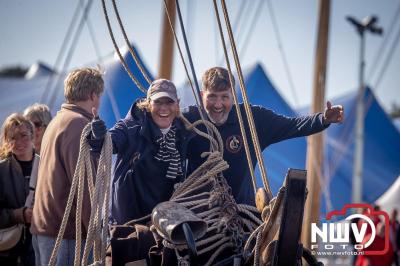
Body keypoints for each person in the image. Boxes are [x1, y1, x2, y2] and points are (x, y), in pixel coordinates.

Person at [183, 67, 344, 205]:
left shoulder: (252, 119)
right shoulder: (189, 119)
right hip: (196, 215)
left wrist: (323, 119)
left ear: (233, 95)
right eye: (212, 97)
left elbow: (292, 126)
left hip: (241, 217)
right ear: (202, 94)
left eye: (224, 97)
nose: (218, 105)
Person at [90, 79, 192, 225]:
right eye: (158, 102)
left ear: (177, 104)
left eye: (169, 102)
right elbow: (107, 144)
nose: (163, 108)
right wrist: (98, 137)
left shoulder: (183, 132)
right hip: (127, 225)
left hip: (165, 224)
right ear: (148, 103)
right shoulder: (130, 127)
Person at [30, 67, 104, 266]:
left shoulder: (56, 122)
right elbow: (85, 188)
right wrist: (98, 237)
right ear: (93, 95)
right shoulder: (80, 126)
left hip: (45, 230)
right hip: (66, 237)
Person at [0, 113, 39, 265]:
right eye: (12, 138)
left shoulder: (46, 166)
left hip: (39, 248)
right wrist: (19, 215)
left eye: (23, 135)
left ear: (33, 135)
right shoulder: (1, 171)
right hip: (8, 252)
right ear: (6, 141)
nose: (18, 142)